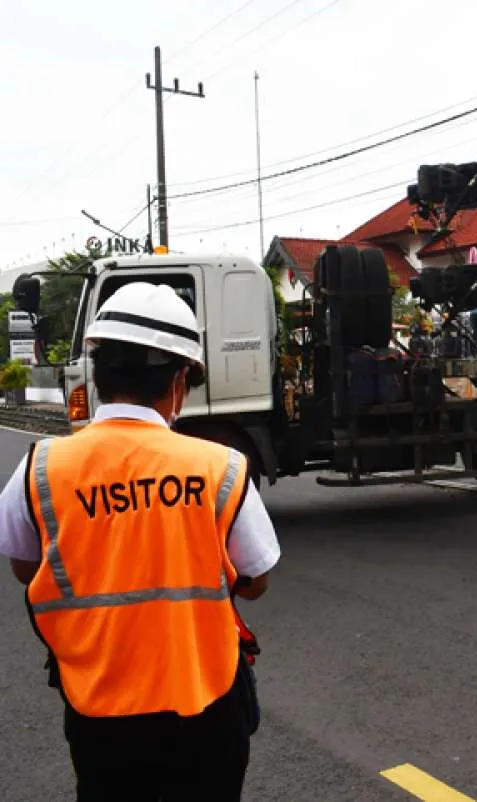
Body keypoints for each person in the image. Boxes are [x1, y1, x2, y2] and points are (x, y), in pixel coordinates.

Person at [0, 282, 281, 800]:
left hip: (98, 707)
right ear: (178, 381)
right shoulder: (220, 466)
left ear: (100, 373)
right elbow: (256, 579)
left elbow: (25, 565)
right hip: (207, 701)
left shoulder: (40, 466)